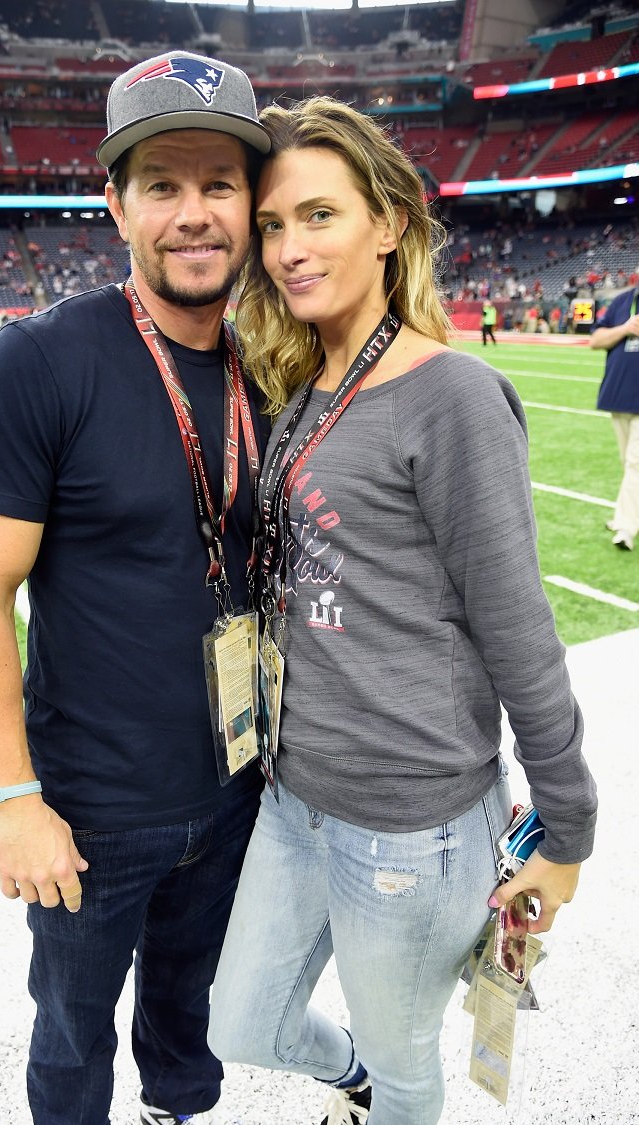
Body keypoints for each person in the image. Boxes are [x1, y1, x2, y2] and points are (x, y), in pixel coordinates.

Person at [207, 97, 597, 1125]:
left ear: (387, 225)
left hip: (410, 822)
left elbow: (517, 626)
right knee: (238, 1023)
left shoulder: (452, 394)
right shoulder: (303, 386)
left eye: (319, 216)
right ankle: (355, 1091)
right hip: (295, 797)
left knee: (406, 1058)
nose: (289, 249)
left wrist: (565, 828)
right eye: (275, 226)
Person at [0, 50, 270, 1125]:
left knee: (188, 1011)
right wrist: (12, 801)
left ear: (250, 203)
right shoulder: (36, 362)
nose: (192, 214)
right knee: (71, 1034)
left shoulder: (270, 368)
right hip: (89, 810)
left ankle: (179, 1111)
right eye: (162, 185)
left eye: (218, 184)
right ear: (114, 201)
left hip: (235, 781)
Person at [590, 284, 639, 551]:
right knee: (628, 463)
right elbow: (595, 341)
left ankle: (625, 527)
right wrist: (626, 328)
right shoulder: (623, 301)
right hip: (620, 396)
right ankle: (628, 514)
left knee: (635, 464)